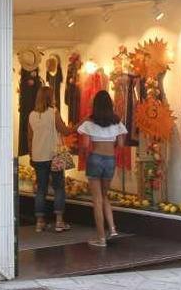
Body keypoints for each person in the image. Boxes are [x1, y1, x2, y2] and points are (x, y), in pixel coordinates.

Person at [77, 90, 128, 247]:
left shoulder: (89, 122)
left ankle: (101, 239)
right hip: (110, 160)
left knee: (97, 200)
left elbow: (85, 145)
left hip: (95, 159)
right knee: (105, 197)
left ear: (95, 105)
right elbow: (120, 145)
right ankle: (112, 229)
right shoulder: (117, 122)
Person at [28, 86, 71, 233]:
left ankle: (40, 223)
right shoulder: (54, 113)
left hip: (38, 156)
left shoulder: (31, 115)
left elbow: (29, 138)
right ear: (49, 98)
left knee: (41, 189)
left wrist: (31, 156)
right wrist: (78, 124)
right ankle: (59, 222)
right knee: (59, 188)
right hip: (54, 156)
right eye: (52, 96)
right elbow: (65, 131)